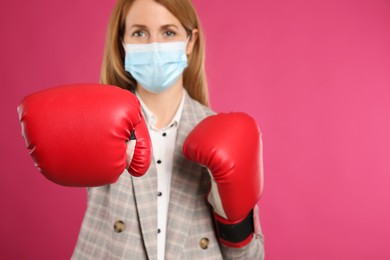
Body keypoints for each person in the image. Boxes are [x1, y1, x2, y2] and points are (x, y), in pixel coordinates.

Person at [18, 0, 265, 259]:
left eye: (168, 32)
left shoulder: (220, 132)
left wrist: (234, 220)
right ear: (122, 43)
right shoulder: (99, 121)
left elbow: (250, 257)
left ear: (190, 42)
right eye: (139, 32)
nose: (154, 46)